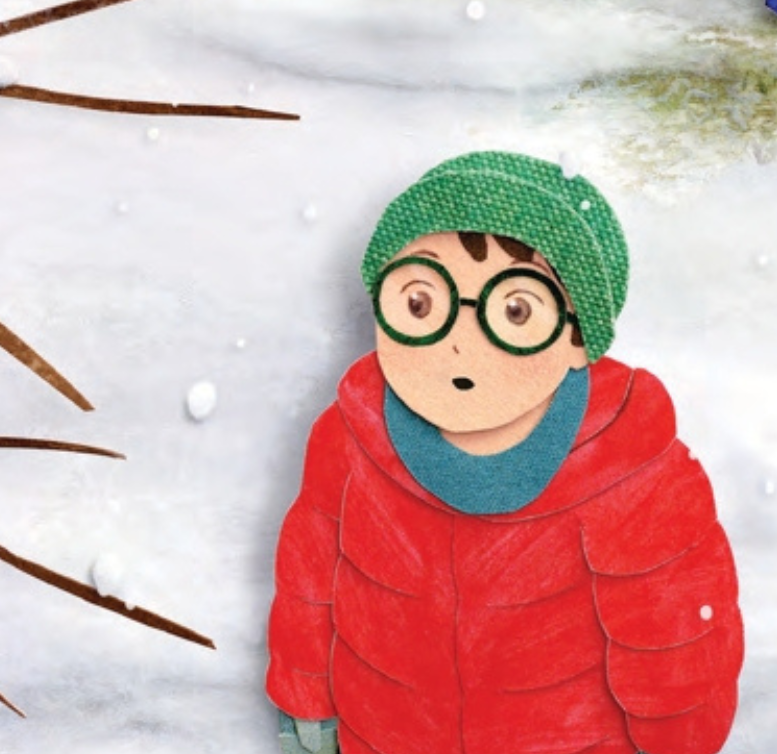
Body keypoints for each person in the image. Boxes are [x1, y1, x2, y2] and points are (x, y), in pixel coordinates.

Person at [265, 151, 743, 754]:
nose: (460, 344)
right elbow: (309, 575)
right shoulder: (348, 436)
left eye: (514, 311)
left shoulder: (635, 474)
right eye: (421, 303)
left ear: (578, 337)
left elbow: (678, 645)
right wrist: (306, 701)